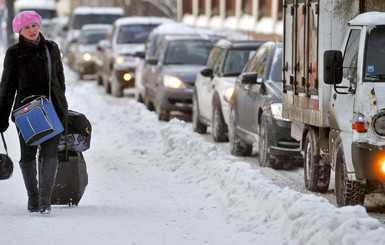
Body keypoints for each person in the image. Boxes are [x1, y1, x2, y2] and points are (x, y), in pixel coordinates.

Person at [0, 11, 68, 214]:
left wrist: (61, 105)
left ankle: (45, 201)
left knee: (50, 153)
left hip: (51, 110)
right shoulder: (14, 53)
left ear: (39, 26)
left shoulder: (51, 48)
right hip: (26, 114)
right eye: (26, 27)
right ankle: (33, 198)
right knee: (27, 155)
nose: (31, 30)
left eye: (34, 26)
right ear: (20, 31)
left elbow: (59, 79)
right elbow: (7, 87)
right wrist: (2, 118)